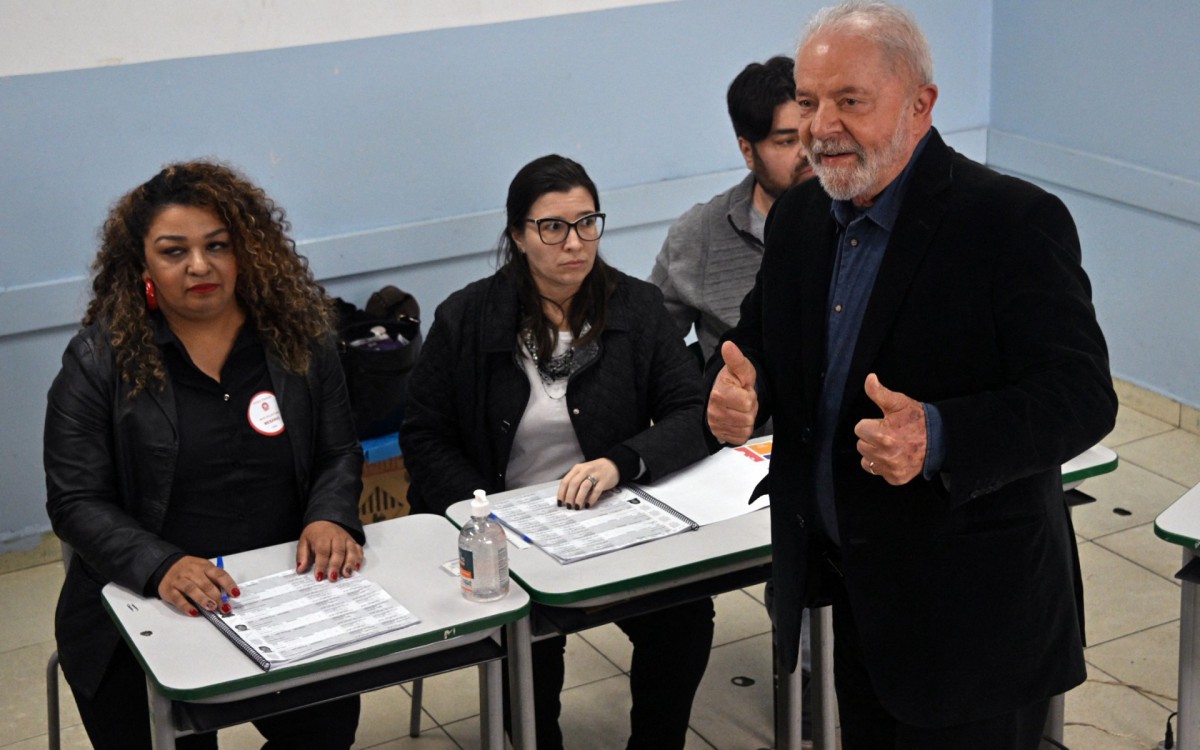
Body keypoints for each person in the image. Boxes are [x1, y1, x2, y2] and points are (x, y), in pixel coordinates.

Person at [705, 2, 1118, 748]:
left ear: (921, 105)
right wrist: (740, 388)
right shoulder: (801, 218)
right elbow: (759, 343)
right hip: (856, 596)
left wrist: (940, 435)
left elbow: (1082, 396)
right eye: (807, 101)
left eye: (850, 101)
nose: (821, 126)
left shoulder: (1010, 222)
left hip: (976, 621)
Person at [44, 161, 366, 749]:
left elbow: (337, 450)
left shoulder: (298, 337)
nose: (199, 265)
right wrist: (161, 564)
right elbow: (75, 501)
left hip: (282, 590)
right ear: (141, 263)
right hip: (144, 607)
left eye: (217, 245)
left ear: (246, 251)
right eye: (174, 251)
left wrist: (330, 515)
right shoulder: (98, 360)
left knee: (324, 731)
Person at [401, 154, 714, 750]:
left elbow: (691, 412)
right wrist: (481, 512)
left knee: (684, 616)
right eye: (553, 227)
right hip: (498, 523)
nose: (574, 243)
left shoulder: (637, 306)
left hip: (605, 512)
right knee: (527, 648)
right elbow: (424, 434)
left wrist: (622, 461)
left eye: (587, 222)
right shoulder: (468, 317)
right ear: (518, 235)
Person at [649, 55, 814, 362]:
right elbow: (644, 346)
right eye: (787, 141)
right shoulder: (698, 235)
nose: (807, 152)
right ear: (747, 151)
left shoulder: (857, 213)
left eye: (811, 134)